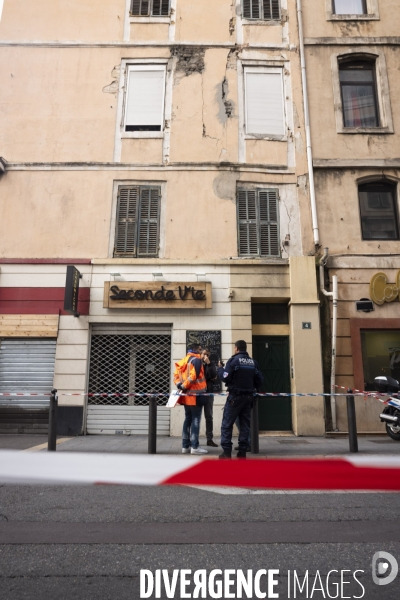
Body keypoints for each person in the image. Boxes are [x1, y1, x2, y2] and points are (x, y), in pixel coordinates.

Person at [218, 340, 263, 459]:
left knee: (227, 424)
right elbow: (260, 380)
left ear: (236, 348)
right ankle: (242, 452)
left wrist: (220, 369)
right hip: (248, 398)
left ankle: (227, 452)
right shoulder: (253, 362)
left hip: (235, 397)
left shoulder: (233, 361)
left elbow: (225, 378)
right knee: (245, 425)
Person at [174, 343, 208, 455]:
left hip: (186, 396)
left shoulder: (184, 360)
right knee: (196, 420)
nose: (201, 351)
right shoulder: (196, 360)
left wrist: (179, 385)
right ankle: (195, 446)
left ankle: (185, 446)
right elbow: (193, 376)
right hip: (196, 395)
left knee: (187, 419)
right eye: (200, 349)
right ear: (196, 349)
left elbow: (176, 375)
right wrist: (184, 386)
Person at [201, 348, 219, 447]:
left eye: (207, 354)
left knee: (209, 416)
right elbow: (204, 377)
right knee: (196, 417)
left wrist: (209, 364)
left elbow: (213, 376)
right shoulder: (197, 364)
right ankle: (194, 440)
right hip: (199, 393)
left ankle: (209, 439)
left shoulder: (210, 364)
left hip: (209, 393)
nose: (205, 356)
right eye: (204, 354)